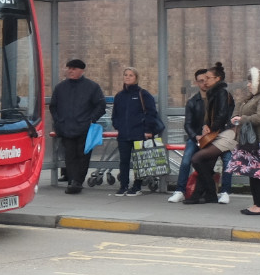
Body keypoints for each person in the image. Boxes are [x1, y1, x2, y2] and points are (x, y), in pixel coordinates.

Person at [49, 58, 106, 195]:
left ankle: (77, 182)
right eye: (69, 68)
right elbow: (53, 106)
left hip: (84, 128)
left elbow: (100, 105)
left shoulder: (92, 87)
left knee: (83, 156)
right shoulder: (60, 87)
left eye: (74, 69)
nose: (70, 71)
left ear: (81, 70)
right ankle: (72, 181)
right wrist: (59, 121)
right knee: (70, 156)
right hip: (66, 128)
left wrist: (91, 120)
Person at [226, 67, 260, 215]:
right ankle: (257, 204)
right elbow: (238, 112)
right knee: (254, 175)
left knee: (259, 175)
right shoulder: (253, 97)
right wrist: (238, 113)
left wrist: (242, 119)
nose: (248, 84)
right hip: (251, 142)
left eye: (251, 81)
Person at [184, 62, 236, 205]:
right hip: (217, 134)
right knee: (205, 163)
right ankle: (205, 194)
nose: (205, 80)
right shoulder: (215, 93)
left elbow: (222, 115)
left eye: (208, 77)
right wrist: (207, 126)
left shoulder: (222, 93)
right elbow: (212, 116)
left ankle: (210, 193)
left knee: (197, 159)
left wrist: (210, 128)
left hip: (224, 135)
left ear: (217, 79)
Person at [110, 67, 164, 196]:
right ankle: (123, 186)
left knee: (139, 161)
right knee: (124, 161)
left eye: (131, 75)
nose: (127, 77)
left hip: (139, 133)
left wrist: (148, 130)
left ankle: (137, 186)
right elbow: (115, 114)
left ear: (136, 78)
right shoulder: (119, 96)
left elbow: (151, 113)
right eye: (126, 75)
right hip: (124, 134)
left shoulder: (143, 94)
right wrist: (118, 125)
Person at [167, 68, 209, 203]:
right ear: (196, 83)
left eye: (206, 80)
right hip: (196, 138)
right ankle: (180, 190)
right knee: (186, 161)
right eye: (201, 81)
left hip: (214, 139)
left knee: (225, 160)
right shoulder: (192, 101)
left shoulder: (217, 99)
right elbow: (188, 124)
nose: (204, 83)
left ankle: (224, 191)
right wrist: (195, 136)